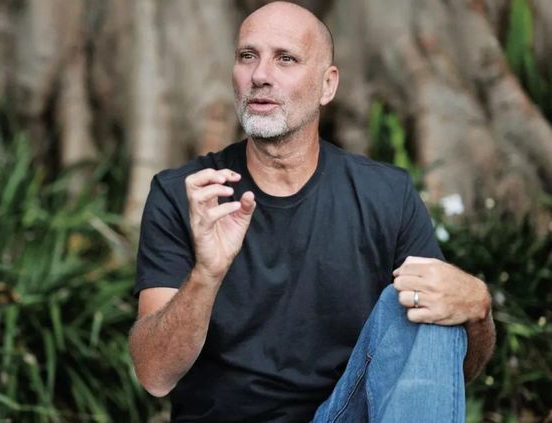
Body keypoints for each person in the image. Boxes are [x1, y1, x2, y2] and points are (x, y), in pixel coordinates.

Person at [128, 2, 496, 421]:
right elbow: (154, 375)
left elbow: (440, 375)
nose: (260, 75)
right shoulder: (188, 194)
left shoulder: (385, 195)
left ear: (327, 85)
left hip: (344, 413)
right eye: (248, 56)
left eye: (285, 58)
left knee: (421, 299)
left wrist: (477, 311)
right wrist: (206, 275)